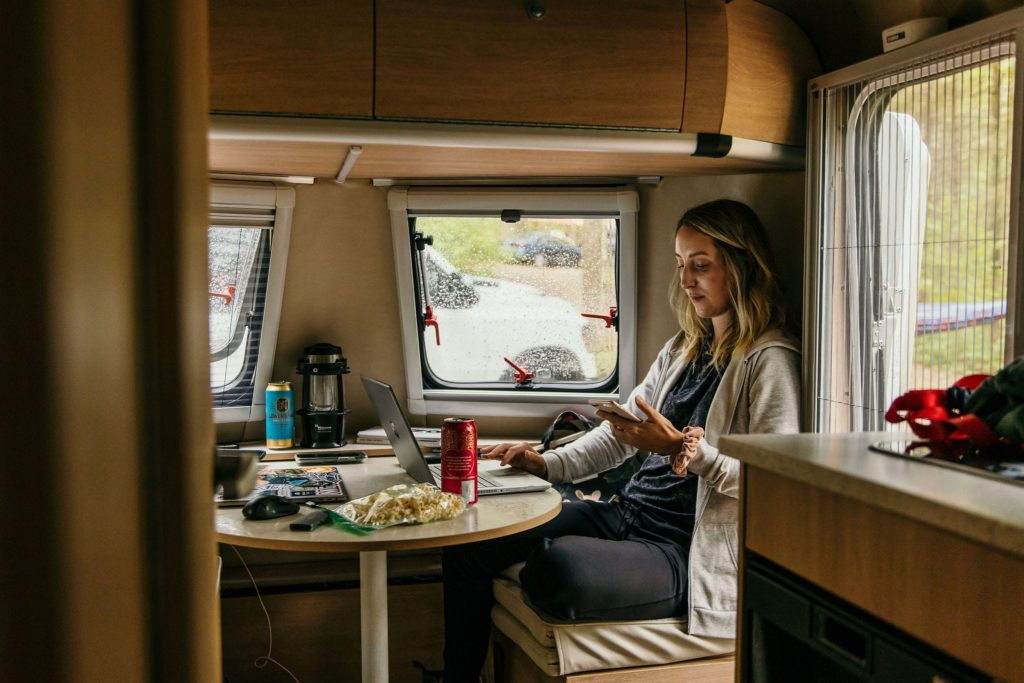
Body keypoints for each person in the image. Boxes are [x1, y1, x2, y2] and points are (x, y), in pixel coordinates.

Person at [441, 199, 801, 682]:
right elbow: (618, 439)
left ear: (742, 267)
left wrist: (683, 452)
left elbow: (777, 485)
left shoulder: (770, 360)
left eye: (701, 265)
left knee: (557, 570)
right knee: (469, 544)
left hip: (683, 547)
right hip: (626, 512)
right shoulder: (684, 348)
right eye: (681, 265)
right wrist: (544, 464)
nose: (687, 280)